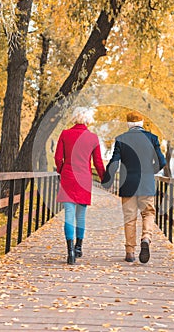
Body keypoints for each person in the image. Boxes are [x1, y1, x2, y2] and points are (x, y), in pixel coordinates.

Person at [102, 111, 166, 263]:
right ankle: (146, 237)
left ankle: (130, 252)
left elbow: (115, 162)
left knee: (130, 218)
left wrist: (107, 181)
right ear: (142, 123)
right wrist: (151, 172)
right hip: (146, 183)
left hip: (128, 184)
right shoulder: (152, 138)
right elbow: (161, 161)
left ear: (128, 124)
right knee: (148, 213)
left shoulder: (121, 139)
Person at [54, 107, 105, 265]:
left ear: (74, 117)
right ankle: (78, 248)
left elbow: (57, 158)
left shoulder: (65, 134)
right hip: (84, 178)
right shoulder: (93, 138)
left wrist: (63, 170)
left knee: (68, 214)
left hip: (69, 176)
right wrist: (104, 178)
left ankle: (69, 252)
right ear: (88, 120)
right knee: (80, 215)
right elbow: (97, 162)